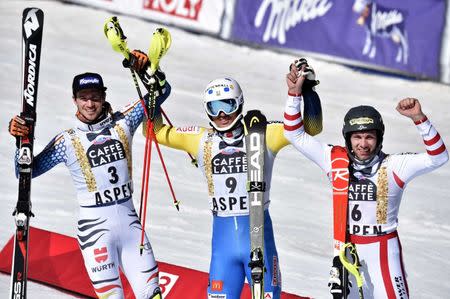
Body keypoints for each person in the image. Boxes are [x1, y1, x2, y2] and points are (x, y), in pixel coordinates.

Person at [8, 51, 169, 299]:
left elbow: (162, 92)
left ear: (104, 97)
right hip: (95, 231)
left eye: (95, 97)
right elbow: (25, 172)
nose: (90, 104)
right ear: (75, 101)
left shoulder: (123, 121)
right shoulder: (68, 141)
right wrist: (22, 143)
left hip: (131, 226)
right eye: (84, 98)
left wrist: (146, 70)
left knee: (153, 294)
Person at [282, 60, 448, 298]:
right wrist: (294, 94)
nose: (363, 144)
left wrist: (419, 119)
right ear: (348, 139)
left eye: (369, 137)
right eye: (357, 137)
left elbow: (439, 157)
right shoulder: (334, 159)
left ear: (379, 138)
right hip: (347, 251)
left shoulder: (393, 165)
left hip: (383, 251)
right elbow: (294, 134)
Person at [146, 74, 322, 298]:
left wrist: (306, 90)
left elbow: (311, 128)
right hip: (223, 243)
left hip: (259, 235)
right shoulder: (200, 139)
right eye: (214, 107)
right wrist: (154, 94)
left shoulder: (264, 133)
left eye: (227, 105)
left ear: (239, 103)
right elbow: (153, 131)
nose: (221, 115)